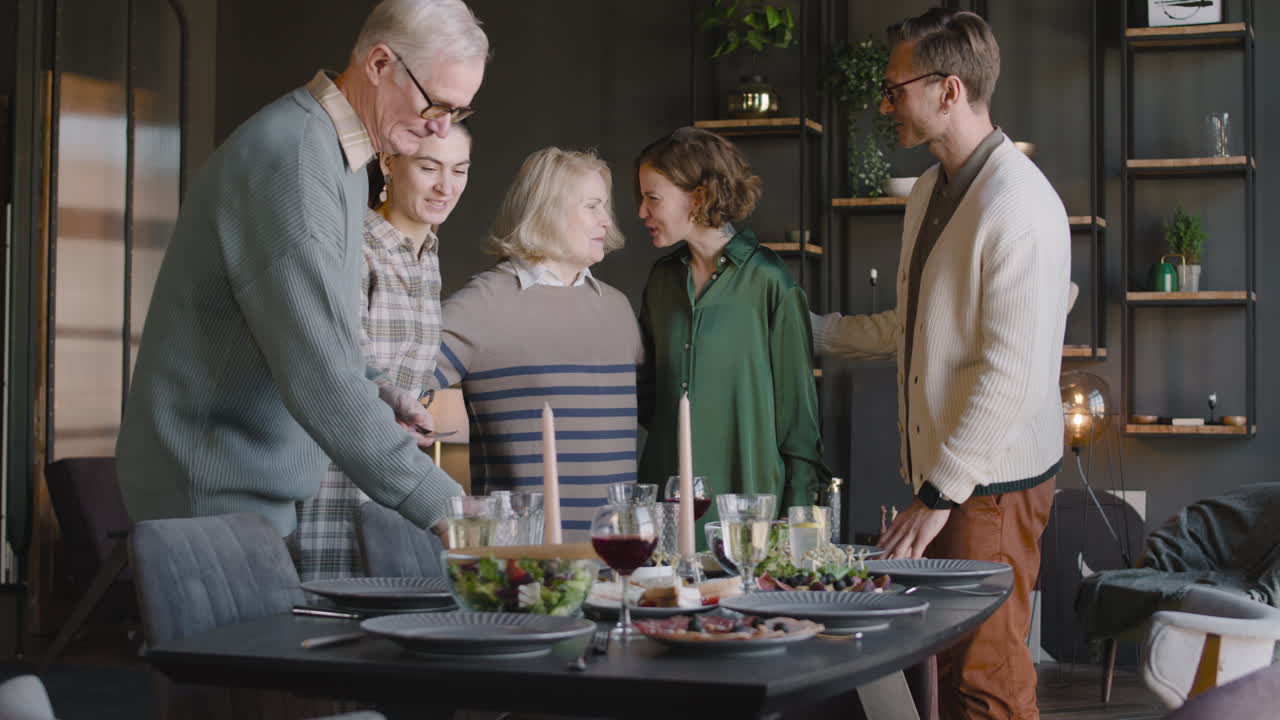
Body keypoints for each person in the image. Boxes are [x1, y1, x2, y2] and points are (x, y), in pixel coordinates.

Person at [116, 0, 489, 542]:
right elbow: (318, 371)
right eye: (436, 103)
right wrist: (444, 505)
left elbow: (316, 336)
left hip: (237, 487)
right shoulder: (293, 161)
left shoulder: (331, 155)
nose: (440, 128)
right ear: (380, 64)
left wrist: (378, 388)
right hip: (211, 492)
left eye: (458, 113)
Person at [810, 9, 1070, 719]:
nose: (884, 103)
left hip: (990, 481)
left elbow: (1010, 373)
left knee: (986, 675)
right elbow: (916, 327)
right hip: (954, 478)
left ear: (949, 90)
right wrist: (808, 332)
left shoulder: (1019, 205)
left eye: (895, 88)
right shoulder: (930, 192)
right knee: (955, 668)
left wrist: (939, 494)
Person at [428, 147, 642, 541]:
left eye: (604, 206)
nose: (606, 220)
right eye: (592, 206)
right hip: (525, 567)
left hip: (619, 562)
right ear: (549, 210)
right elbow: (388, 394)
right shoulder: (482, 305)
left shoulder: (617, 309)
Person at [295, 124, 473, 580]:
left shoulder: (427, 254)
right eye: (429, 167)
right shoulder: (354, 245)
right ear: (389, 163)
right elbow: (339, 370)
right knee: (330, 618)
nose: (445, 186)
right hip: (332, 473)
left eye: (459, 170)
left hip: (394, 478)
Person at [635, 127, 826, 545]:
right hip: (666, 514)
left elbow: (799, 424)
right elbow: (648, 399)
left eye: (652, 198)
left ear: (697, 198)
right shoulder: (661, 281)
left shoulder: (769, 282)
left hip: (748, 515)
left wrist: (796, 528)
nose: (641, 212)